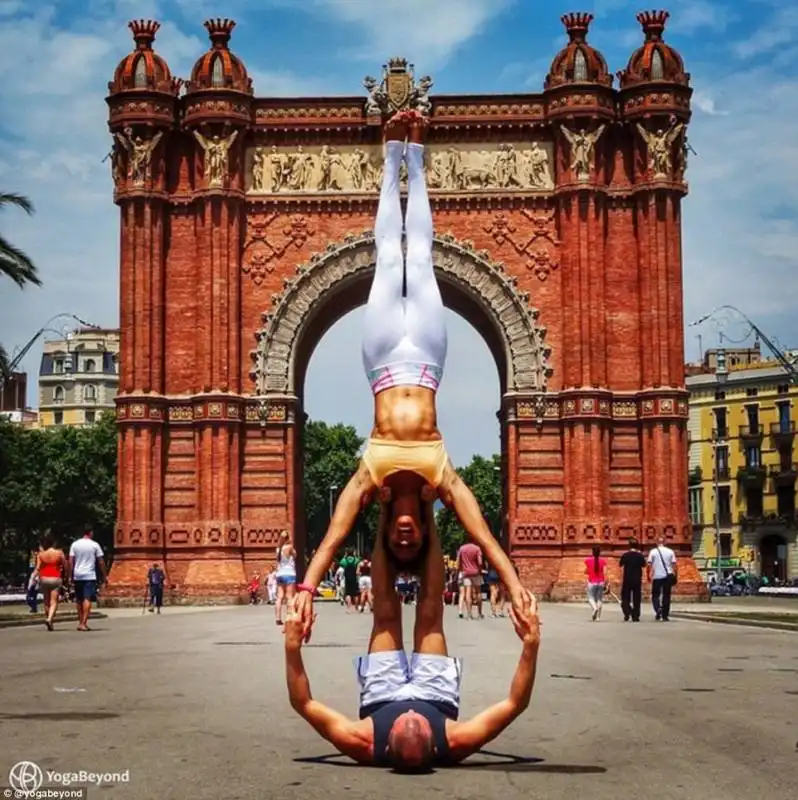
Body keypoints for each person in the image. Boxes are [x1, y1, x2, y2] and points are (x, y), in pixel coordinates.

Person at [296, 110, 530, 636]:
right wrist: (514, 586)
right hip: (426, 358)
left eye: (397, 543)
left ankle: (390, 158)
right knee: (418, 259)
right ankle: (413, 157)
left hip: (381, 360)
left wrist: (305, 590)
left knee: (386, 257)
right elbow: (486, 537)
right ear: (424, 533)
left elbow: (332, 538)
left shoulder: (369, 478)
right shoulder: (439, 477)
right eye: (412, 544)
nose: (404, 538)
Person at [284, 497, 541, 770]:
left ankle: (385, 511)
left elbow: (303, 703)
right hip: (434, 696)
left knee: (385, 611)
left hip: (382, 696)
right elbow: (516, 703)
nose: (410, 709)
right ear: (433, 743)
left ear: (384, 743)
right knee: (431, 611)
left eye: (403, 720)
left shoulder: (365, 742)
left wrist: (291, 646)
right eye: (417, 720)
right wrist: (531, 644)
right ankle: (427, 510)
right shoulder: (453, 742)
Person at [68, 529, 107, 632]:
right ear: (90, 533)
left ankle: (80, 622)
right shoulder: (95, 545)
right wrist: (104, 575)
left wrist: (69, 575)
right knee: (87, 599)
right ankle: (84, 623)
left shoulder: (75, 544)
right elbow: (101, 561)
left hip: (77, 575)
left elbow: (71, 561)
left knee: (79, 599)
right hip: (89, 575)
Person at [36, 533, 67, 631]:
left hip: (44, 578)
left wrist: (35, 578)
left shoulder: (41, 554)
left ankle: (48, 619)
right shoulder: (59, 553)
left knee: (46, 601)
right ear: (54, 543)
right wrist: (67, 576)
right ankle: (50, 619)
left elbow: (38, 568)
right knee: (54, 601)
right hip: (55, 578)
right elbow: (65, 565)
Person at [647, 536, 677, 622]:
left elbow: (649, 565)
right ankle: (665, 615)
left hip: (657, 577)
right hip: (668, 576)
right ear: (665, 542)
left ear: (657, 542)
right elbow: (674, 565)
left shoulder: (653, 552)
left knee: (655, 595)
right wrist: (676, 576)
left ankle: (658, 609)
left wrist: (649, 575)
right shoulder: (670, 551)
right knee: (666, 596)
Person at [619, 539, 646, 622]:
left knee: (625, 597)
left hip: (627, 578)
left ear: (629, 545)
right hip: (637, 579)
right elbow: (644, 565)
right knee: (636, 598)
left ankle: (627, 612)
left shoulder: (625, 555)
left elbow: (620, 564)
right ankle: (636, 615)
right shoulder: (640, 555)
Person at [274, 531, 297, 625]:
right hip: (289, 573)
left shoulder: (278, 549)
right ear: (287, 538)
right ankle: (289, 617)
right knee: (289, 597)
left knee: (279, 597)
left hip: (280, 574)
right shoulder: (289, 547)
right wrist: (290, 544)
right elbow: (295, 555)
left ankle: (278, 619)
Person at [584, 545, 607, 622]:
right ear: (599, 553)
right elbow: (604, 572)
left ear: (592, 552)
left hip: (591, 582)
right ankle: (598, 618)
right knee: (599, 599)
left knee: (590, 597)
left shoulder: (588, 561)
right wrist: (606, 582)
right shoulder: (603, 561)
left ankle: (594, 608)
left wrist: (588, 571)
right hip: (601, 582)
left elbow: (586, 571)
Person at [339, 547, 361, 612]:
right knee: (355, 594)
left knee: (348, 593)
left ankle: (349, 608)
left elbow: (341, 564)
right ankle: (356, 608)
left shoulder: (344, 560)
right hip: (354, 578)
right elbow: (358, 569)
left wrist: (345, 556)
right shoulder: (357, 560)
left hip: (347, 579)